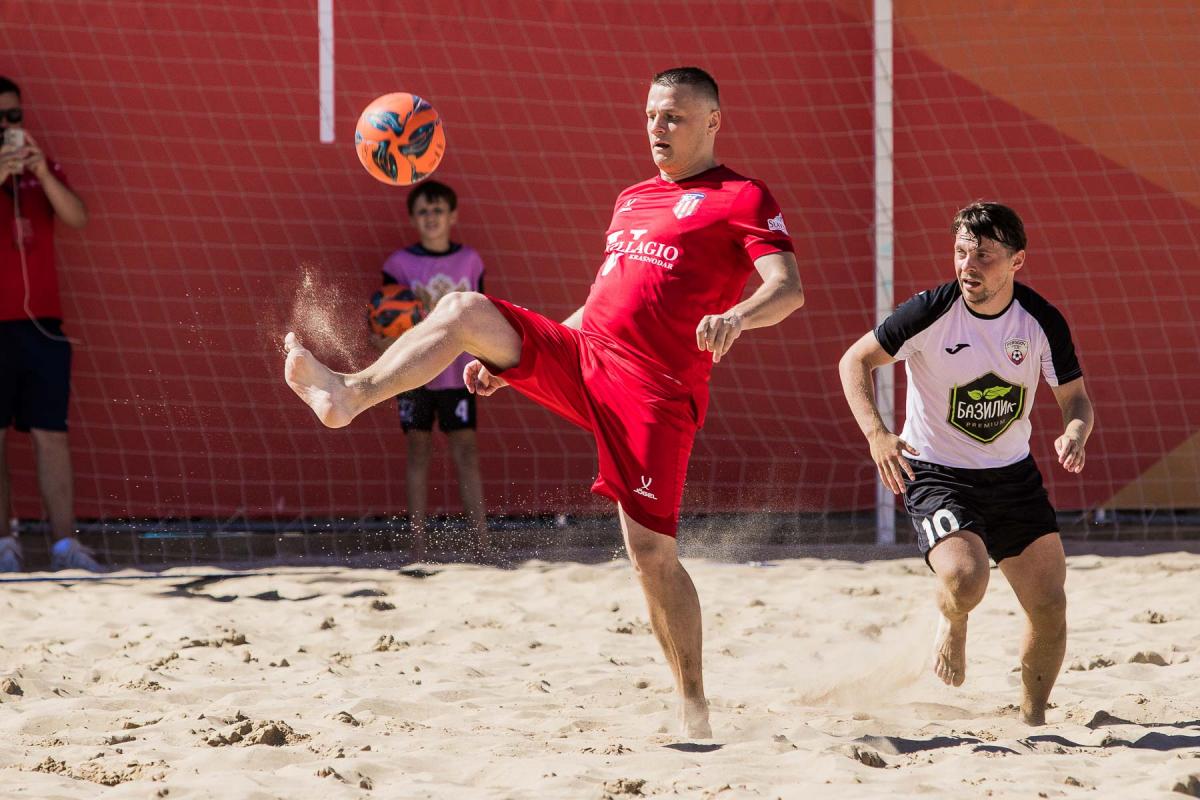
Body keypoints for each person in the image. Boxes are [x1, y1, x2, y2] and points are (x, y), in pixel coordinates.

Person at [285, 67, 805, 737]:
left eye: (673, 117)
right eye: (651, 115)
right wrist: (516, 365)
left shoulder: (741, 196)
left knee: (650, 556)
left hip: (654, 391)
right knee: (463, 309)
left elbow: (786, 288)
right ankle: (350, 393)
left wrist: (737, 316)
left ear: (712, 122)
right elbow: (603, 300)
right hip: (586, 355)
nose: (657, 127)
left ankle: (694, 705)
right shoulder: (632, 198)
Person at [838, 201, 1094, 725]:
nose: (968, 266)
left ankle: (1033, 721)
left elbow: (1075, 399)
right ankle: (953, 621)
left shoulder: (1040, 320)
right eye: (960, 252)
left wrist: (1075, 430)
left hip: (1013, 476)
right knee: (965, 578)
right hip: (937, 471)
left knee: (1049, 604)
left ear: (1017, 261)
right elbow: (854, 360)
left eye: (984, 256)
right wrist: (877, 435)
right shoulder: (930, 311)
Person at [0, 75, 99, 572]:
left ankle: (65, 545)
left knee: (51, 433)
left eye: (13, 117)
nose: (6, 126)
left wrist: (40, 169)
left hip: (41, 325)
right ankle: (4, 545)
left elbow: (77, 217)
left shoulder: (41, 169)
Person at [372, 180, 488, 558]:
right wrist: (382, 340)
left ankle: (481, 544)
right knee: (417, 451)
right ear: (412, 218)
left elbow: (482, 315)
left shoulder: (471, 262)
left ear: (453, 215)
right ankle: (418, 547)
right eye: (423, 211)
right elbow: (386, 322)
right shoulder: (398, 265)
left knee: (466, 451)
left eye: (438, 210)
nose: (431, 217)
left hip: (459, 372)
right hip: (414, 372)